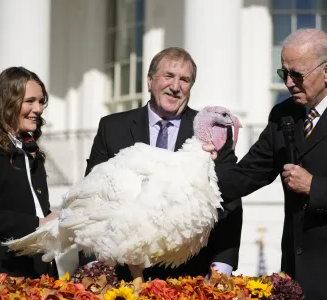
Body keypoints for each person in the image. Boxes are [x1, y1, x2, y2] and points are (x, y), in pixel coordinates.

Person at [206, 29, 327, 300]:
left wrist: (315, 187)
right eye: (283, 73)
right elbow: (247, 174)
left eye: (297, 75)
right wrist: (195, 183)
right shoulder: (283, 115)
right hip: (296, 279)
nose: (289, 83)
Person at [81, 47, 243, 281]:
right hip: (120, 276)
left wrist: (221, 268)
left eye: (184, 80)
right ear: (149, 81)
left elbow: (230, 198)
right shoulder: (112, 128)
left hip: (189, 277)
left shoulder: (211, 131)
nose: (175, 86)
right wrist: (94, 268)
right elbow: (92, 199)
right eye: (168, 76)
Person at [0, 67, 59, 277]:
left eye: (41, 101)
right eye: (30, 101)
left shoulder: (30, 149)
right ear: (7, 101)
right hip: (0, 275)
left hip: (36, 272)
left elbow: (32, 206)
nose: (38, 109)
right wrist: (38, 223)